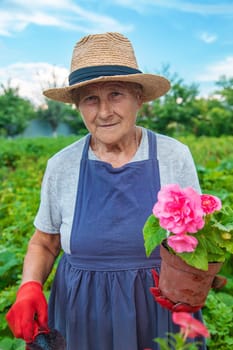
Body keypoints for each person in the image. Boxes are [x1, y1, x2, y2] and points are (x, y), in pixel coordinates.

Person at [6, 32, 206, 350]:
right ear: (78, 107)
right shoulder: (62, 165)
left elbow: (199, 238)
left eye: (116, 94)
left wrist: (195, 282)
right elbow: (45, 242)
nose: (103, 112)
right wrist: (29, 286)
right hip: (81, 315)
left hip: (157, 314)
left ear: (138, 97)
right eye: (90, 99)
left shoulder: (173, 155)